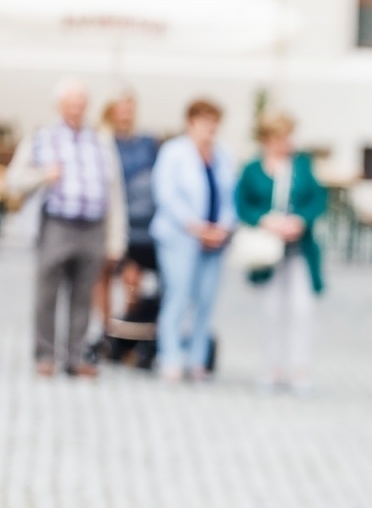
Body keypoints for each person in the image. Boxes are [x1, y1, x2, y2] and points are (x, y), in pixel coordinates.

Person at [5, 78, 127, 377]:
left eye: (81, 103)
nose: (77, 109)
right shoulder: (42, 137)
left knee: (83, 294)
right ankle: (45, 354)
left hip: (93, 225)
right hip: (57, 223)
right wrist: (44, 175)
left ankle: (76, 356)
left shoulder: (99, 139)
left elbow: (115, 191)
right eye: (71, 103)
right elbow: (14, 181)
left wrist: (116, 238)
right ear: (59, 106)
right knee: (48, 292)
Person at [235, 110, 328, 391]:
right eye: (280, 137)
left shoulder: (302, 165)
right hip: (268, 252)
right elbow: (242, 204)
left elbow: (318, 198)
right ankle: (271, 368)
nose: (286, 142)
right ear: (267, 139)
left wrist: (300, 220)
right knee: (270, 310)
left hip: (299, 250)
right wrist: (265, 219)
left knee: (302, 309)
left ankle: (299, 369)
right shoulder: (252, 169)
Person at [151, 99, 235, 382]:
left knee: (206, 300)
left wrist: (222, 228)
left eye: (214, 123)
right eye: (205, 121)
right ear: (191, 122)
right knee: (178, 295)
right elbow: (166, 195)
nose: (210, 128)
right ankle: (170, 355)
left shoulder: (222, 155)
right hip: (180, 238)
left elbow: (229, 197)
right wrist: (196, 227)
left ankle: (198, 359)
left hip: (215, 242)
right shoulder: (174, 152)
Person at [100, 91, 160, 340]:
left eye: (130, 108)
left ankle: (128, 328)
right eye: (121, 108)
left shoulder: (145, 142)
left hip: (139, 221)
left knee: (133, 275)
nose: (126, 113)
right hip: (111, 213)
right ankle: (105, 328)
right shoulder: (103, 140)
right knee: (104, 271)